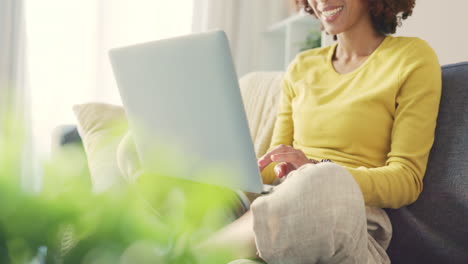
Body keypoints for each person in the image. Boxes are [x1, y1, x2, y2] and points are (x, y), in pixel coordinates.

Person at [200, 0, 441, 263]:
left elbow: (407, 180)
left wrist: (315, 168)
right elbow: (274, 164)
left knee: (323, 181)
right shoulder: (302, 67)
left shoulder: (412, 57)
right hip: (279, 205)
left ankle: (195, 254)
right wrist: (235, 167)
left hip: (349, 220)